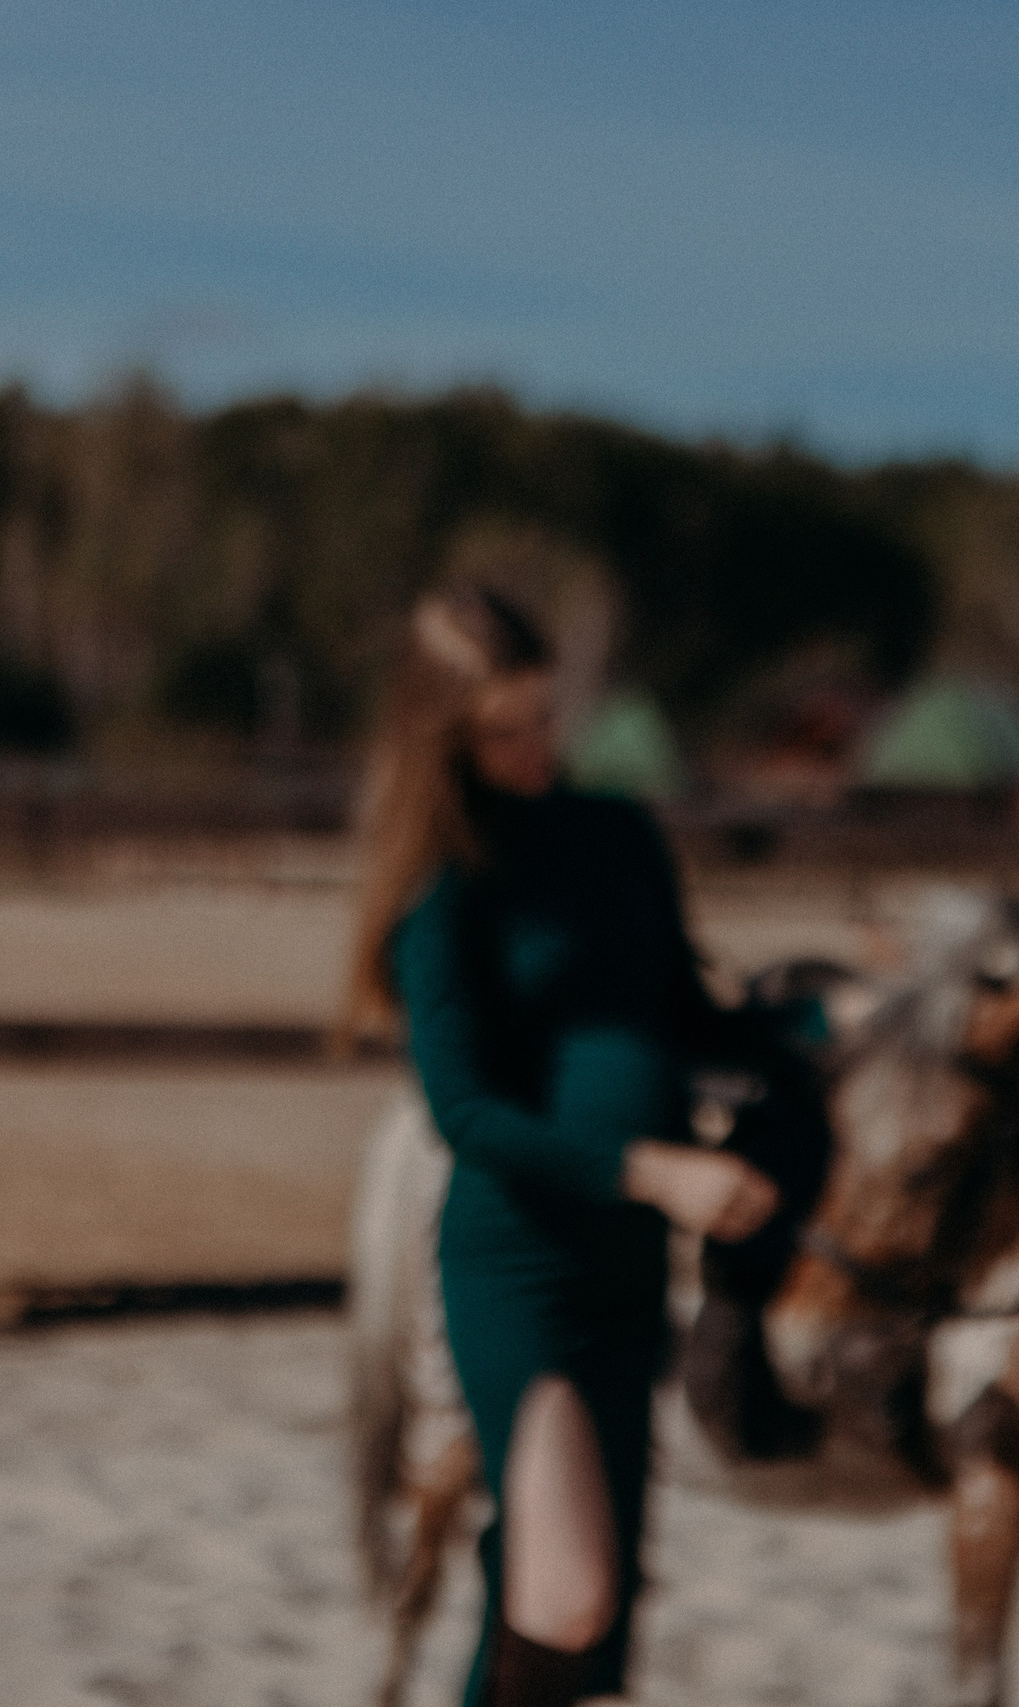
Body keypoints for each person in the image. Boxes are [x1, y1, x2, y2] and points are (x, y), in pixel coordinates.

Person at [344, 586, 783, 1707]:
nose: (537, 746)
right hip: (518, 1269)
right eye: (503, 731)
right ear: (441, 741)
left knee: (578, 1621)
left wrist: (824, 1019)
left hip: (627, 1276)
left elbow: (684, 1015)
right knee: (571, 1590)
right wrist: (653, 1169)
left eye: (545, 716)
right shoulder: (441, 886)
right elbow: (465, 1116)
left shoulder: (619, 834)